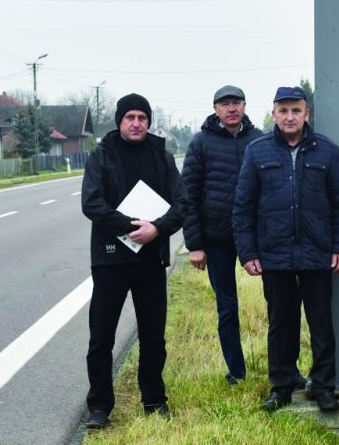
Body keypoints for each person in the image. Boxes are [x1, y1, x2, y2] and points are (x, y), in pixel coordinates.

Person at [233, 86, 339, 413]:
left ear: (306, 114)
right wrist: (249, 252)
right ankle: (282, 386)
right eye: (283, 111)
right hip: (274, 255)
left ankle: (324, 386)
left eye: (296, 110)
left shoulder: (326, 151)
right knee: (281, 324)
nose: (290, 117)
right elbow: (243, 207)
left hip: (317, 254)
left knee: (321, 324)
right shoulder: (257, 152)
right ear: (273, 114)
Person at [80, 94, 185, 428]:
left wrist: (157, 229)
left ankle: (154, 400)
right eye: (130, 117)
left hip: (151, 259)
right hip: (110, 260)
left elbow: (182, 204)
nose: (136, 123)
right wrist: (130, 227)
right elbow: (91, 204)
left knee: (154, 336)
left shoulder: (163, 158)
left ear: (149, 121)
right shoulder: (101, 156)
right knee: (101, 337)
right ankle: (99, 406)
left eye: (142, 117)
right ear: (119, 121)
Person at [180, 85, 262, 386]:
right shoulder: (201, 143)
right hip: (217, 238)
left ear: (244, 106)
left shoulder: (260, 139)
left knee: (280, 300)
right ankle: (236, 371)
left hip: (257, 235)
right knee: (227, 306)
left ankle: (285, 368)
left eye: (237, 103)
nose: (231, 108)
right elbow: (187, 194)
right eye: (225, 104)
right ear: (215, 109)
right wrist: (195, 244)